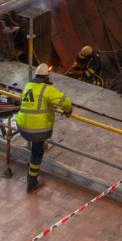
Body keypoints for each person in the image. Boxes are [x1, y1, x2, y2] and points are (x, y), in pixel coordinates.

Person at [15, 63, 73, 193]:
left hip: (22, 125)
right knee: (37, 153)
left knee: (36, 142)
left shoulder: (28, 86)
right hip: (37, 130)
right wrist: (68, 110)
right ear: (46, 77)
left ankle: (38, 147)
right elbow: (65, 102)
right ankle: (32, 182)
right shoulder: (47, 89)